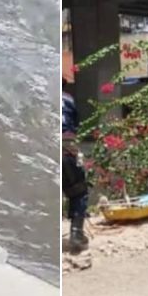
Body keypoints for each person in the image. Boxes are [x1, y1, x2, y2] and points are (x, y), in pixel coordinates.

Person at [61, 78, 89, 252]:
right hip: (67, 150)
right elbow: (76, 125)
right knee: (79, 191)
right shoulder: (69, 99)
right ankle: (76, 233)